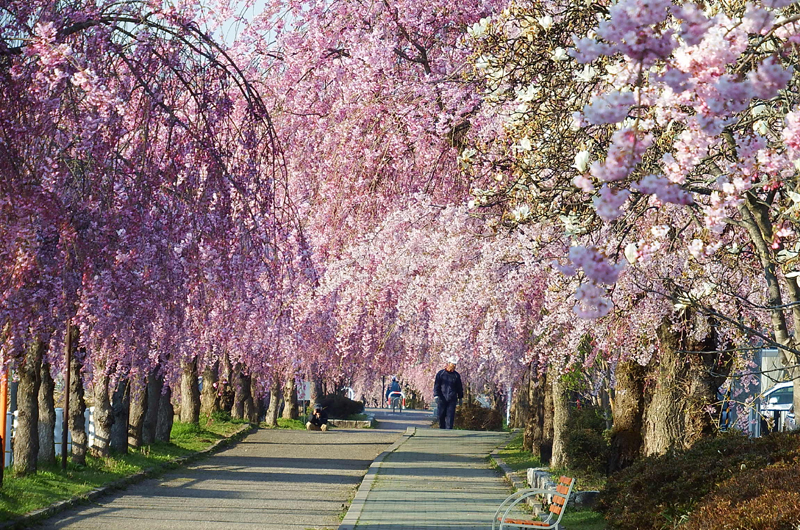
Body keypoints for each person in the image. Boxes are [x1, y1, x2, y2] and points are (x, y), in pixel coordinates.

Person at [433, 357, 463, 429]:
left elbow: (459, 387)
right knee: (441, 415)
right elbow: (437, 385)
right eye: (453, 364)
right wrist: (436, 395)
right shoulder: (441, 374)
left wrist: (460, 397)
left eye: (455, 365)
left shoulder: (456, 375)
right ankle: (442, 430)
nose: (454, 366)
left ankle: (449, 431)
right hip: (442, 398)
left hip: (452, 399)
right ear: (449, 364)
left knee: (450, 416)